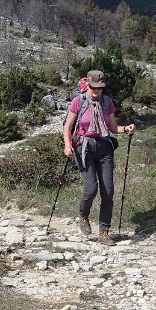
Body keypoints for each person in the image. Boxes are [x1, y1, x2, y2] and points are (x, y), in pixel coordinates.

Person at [62, 69, 137, 246]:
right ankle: (83, 216)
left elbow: (113, 127)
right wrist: (67, 144)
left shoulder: (106, 102)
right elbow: (67, 126)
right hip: (84, 148)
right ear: (88, 85)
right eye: (94, 87)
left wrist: (126, 129)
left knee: (108, 191)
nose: (97, 91)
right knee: (91, 189)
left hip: (104, 147)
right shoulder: (78, 101)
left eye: (100, 88)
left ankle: (104, 232)